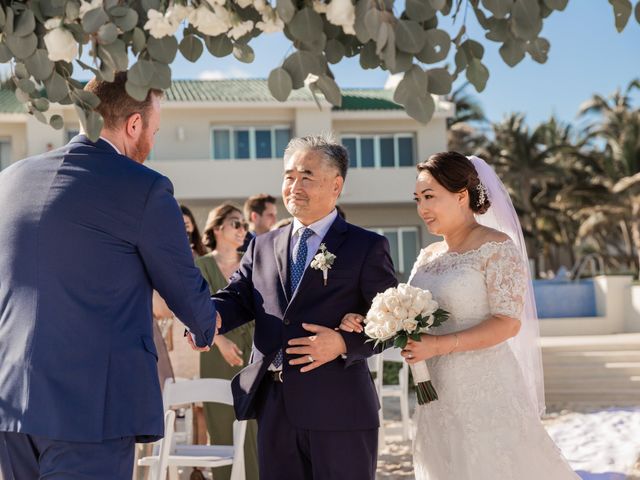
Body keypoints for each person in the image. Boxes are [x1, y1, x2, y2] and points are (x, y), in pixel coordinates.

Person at [0, 72, 218, 480]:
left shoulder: (9, 180)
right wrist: (206, 325)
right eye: (154, 129)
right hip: (90, 410)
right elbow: (183, 286)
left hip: (12, 402)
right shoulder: (145, 189)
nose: (153, 141)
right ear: (134, 125)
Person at [340, 151, 579, 479]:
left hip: (485, 390)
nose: (422, 208)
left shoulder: (497, 247)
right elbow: (410, 311)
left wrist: (439, 346)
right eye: (417, 199)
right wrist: (371, 321)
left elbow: (507, 323)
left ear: (461, 195)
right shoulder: (427, 255)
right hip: (435, 392)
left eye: (429, 197)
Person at [190, 134, 398, 480]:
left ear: (336, 185)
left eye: (306, 176)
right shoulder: (263, 245)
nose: (294, 185)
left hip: (340, 410)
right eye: (289, 176)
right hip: (275, 408)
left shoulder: (367, 246)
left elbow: (391, 321)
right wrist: (206, 318)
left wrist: (343, 344)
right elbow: (238, 297)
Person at [196, 204, 259, 480]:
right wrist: (220, 342)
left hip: (255, 351)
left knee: (256, 428)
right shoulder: (201, 266)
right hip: (215, 352)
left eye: (244, 225)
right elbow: (194, 312)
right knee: (221, 426)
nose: (242, 230)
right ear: (217, 227)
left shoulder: (253, 260)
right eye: (236, 223)